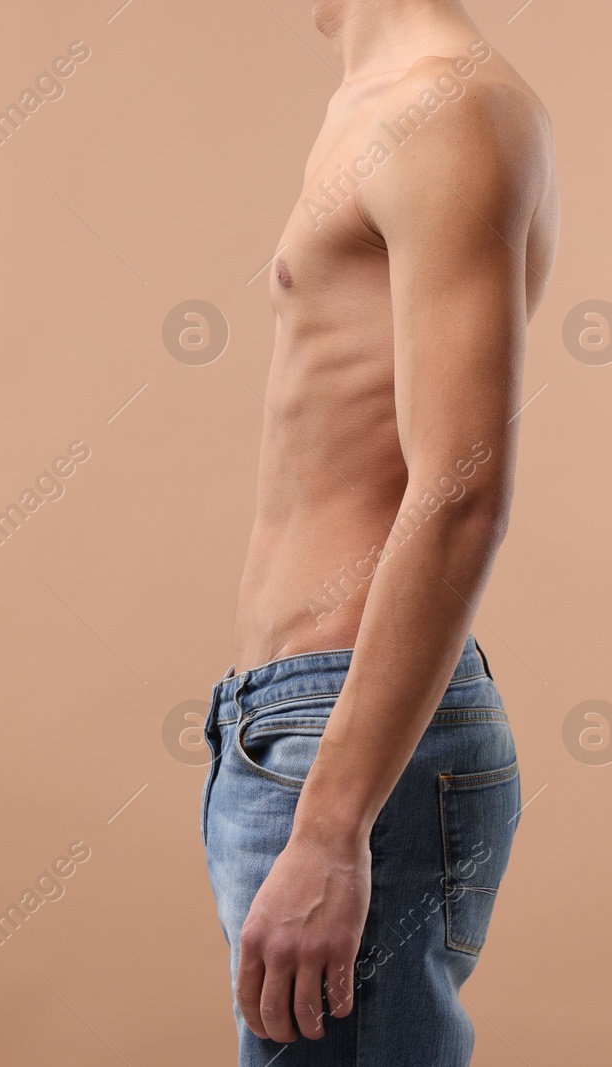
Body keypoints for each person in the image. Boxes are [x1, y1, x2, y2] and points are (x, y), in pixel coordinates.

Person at [199, 0, 558, 1061]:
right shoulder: (371, 108)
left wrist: (331, 820)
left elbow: (459, 492)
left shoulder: (446, 112)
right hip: (293, 728)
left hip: (349, 739)